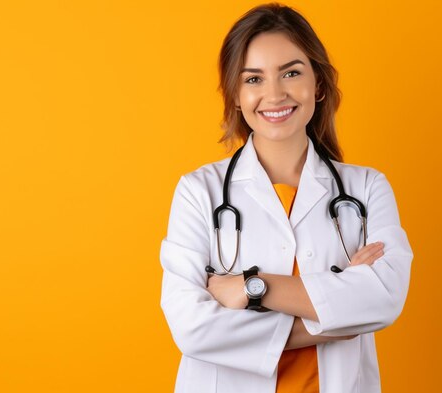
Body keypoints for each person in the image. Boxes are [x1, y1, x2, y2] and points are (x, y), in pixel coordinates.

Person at [160, 3, 413, 393]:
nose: (274, 95)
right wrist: (334, 319)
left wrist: (251, 287)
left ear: (319, 85)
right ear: (235, 93)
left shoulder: (366, 188)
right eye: (254, 79)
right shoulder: (199, 192)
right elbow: (192, 328)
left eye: (291, 73)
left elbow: (384, 299)